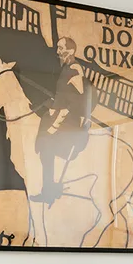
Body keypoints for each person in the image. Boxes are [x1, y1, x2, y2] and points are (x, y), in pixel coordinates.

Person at [32, 37, 91, 204]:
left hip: (68, 122)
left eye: (61, 48)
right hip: (62, 116)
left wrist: (55, 119)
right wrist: (51, 104)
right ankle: (49, 190)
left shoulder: (74, 70)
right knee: (45, 150)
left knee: (46, 147)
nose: (57, 52)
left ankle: (49, 192)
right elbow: (64, 96)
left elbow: (77, 99)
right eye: (57, 48)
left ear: (70, 51)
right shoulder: (67, 69)